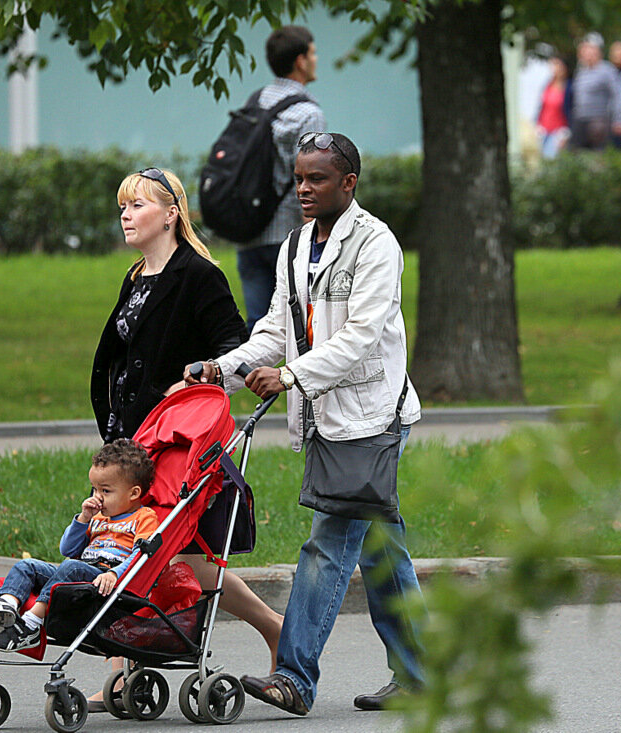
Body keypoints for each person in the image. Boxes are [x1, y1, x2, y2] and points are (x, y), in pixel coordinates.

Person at [185, 132, 425, 716]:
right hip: (328, 421)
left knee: (328, 544)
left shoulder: (376, 245)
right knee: (381, 554)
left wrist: (291, 377)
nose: (304, 189)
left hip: (371, 419)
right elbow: (275, 329)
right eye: (298, 178)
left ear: (349, 183)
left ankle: (293, 677)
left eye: (317, 178)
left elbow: (360, 336)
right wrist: (225, 368)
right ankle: (421, 676)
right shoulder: (293, 245)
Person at [89, 167, 283, 707]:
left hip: (177, 442)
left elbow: (232, 345)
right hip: (131, 441)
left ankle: (273, 626)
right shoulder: (136, 276)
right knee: (120, 542)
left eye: (137, 205)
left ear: (172, 214)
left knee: (167, 551)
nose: (125, 215)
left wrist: (199, 375)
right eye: (122, 206)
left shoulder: (199, 275)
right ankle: (123, 666)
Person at [0, 439, 159, 651]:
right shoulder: (99, 517)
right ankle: (6, 604)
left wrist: (115, 574)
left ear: (134, 493)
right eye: (94, 489)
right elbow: (68, 549)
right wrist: (83, 519)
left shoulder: (144, 517)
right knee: (28, 566)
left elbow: (141, 555)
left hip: (107, 581)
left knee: (71, 566)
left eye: (106, 491)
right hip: (80, 572)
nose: (97, 497)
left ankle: (31, 624)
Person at [236, 25, 326, 333]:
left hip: (248, 231)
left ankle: (249, 382)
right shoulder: (306, 112)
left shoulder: (256, 101)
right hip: (289, 236)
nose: (316, 59)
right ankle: (294, 382)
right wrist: (314, 237)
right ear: (301, 61)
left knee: (258, 331)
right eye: (313, 53)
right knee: (302, 328)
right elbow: (311, 179)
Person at [569, 33, 621, 150]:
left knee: (597, 154)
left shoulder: (607, 70)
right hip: (580, 119)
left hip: (598, 120)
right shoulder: (581, 72)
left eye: (589, 50)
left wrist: (619, 120)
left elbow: (617, 96)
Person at [536, 55, 572, 159]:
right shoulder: (547, 85)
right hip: (543, 130)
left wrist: (566, 132)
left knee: (551, 158)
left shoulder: (569, 87)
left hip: (559, 131)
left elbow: (570, 110)